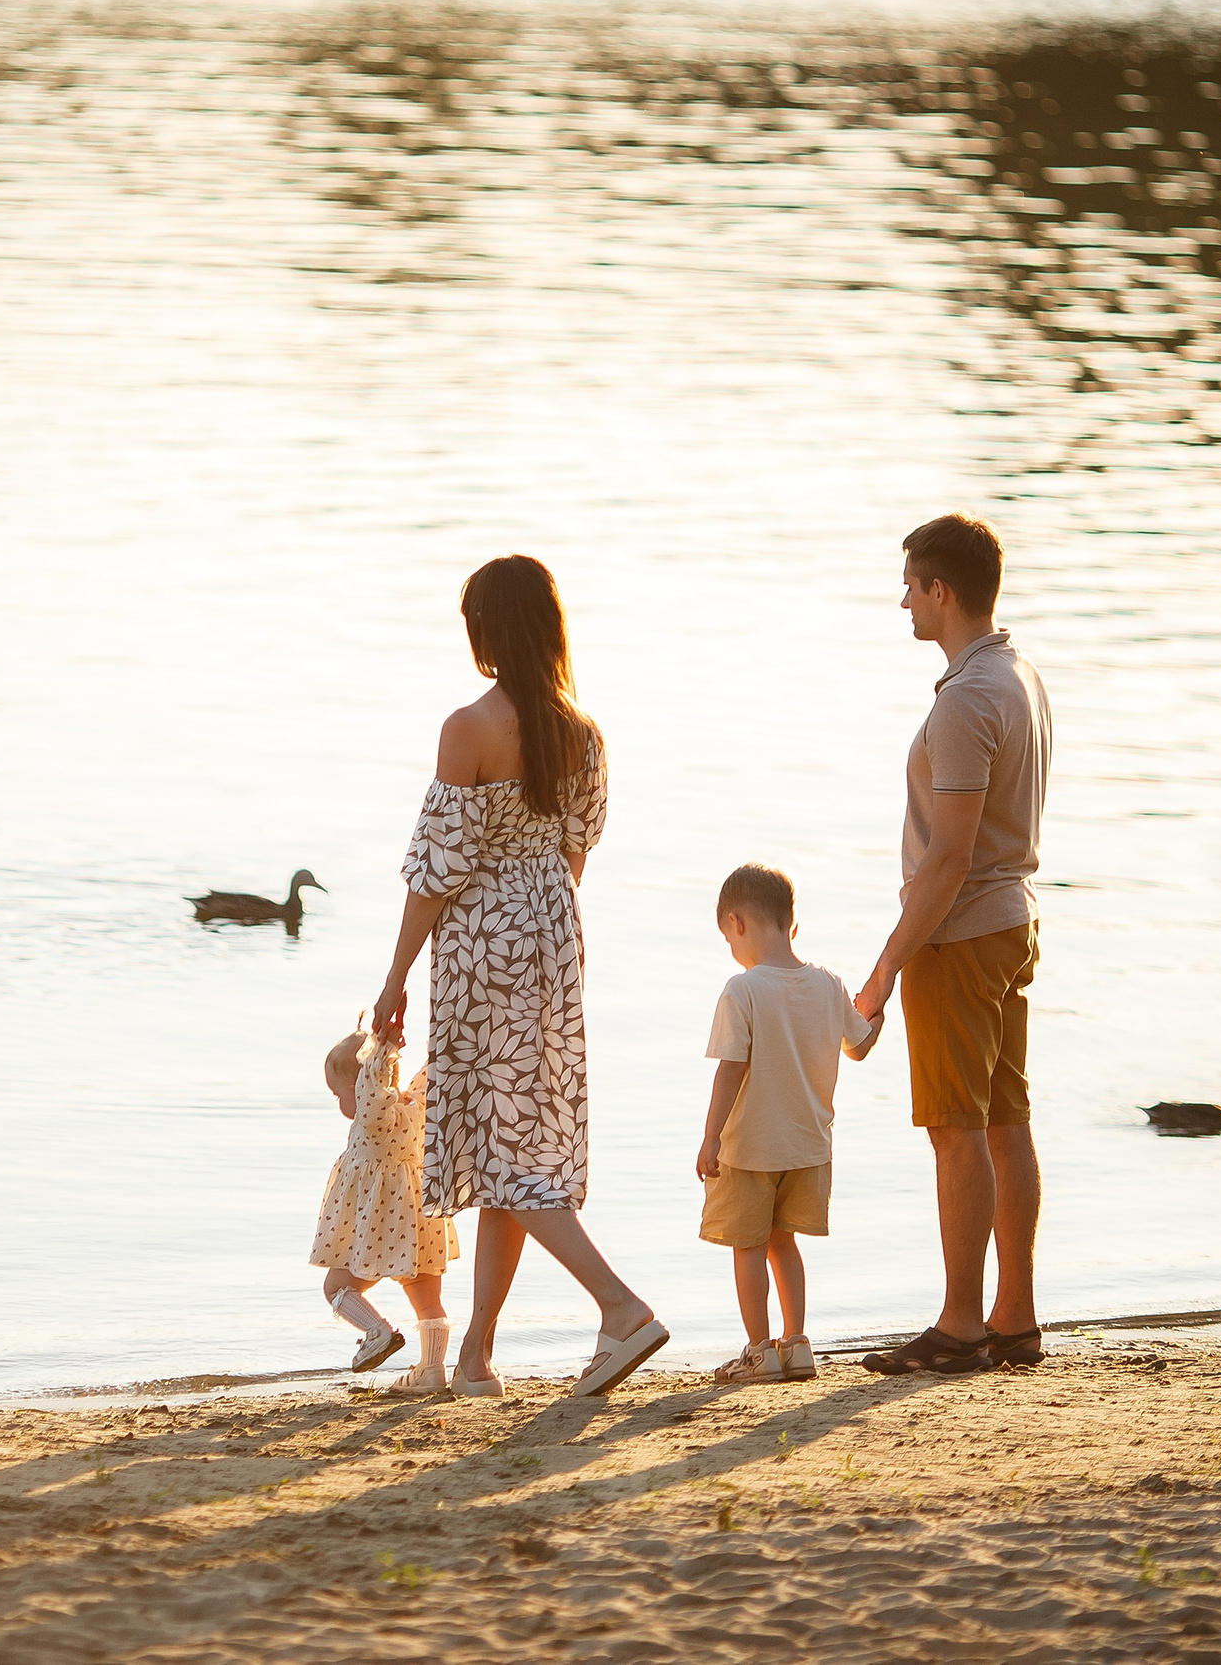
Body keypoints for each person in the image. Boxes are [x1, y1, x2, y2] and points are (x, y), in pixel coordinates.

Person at [372, 554, 666, 1399]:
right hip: (552, 940)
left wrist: (396, 976)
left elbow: (437, 870)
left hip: (482, 945)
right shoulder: (583, 733)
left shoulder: (469, 727)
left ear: (488, 631)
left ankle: (620, 1307)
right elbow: (573, 855)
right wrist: (538, 925)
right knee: (516, 1145)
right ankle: (474, 1360)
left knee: (506, 1154)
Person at [851, 514, 1054, 1376]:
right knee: (1006, 1119)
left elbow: (951, 855)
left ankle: (963, 1322)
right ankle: (1015, 1315)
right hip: (1010, 920)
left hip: (963, 933)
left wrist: (886, 966)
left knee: (955, 1128)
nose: (901, 599)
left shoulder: (970, 697)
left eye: (910, 584)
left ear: (942, 591)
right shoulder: (1018, 674)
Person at [696, 864, 879, 1384]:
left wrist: (711, 1139)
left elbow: (730, 1071)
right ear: (792, 925)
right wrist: (877, 1012)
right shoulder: (829, 984)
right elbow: (860, 1046)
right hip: (809, 1147)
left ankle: (758, 1351)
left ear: (737, 923)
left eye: (728, 939)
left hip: (751, 1147)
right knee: (785, 1242)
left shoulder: (743, 989)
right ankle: (797, 1344)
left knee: (748, 1246)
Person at [312, 1023, 458, 1393]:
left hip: (379, 1226)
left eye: (337, 1095)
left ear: (357, 1090)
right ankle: (433, 1370)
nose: (339, 1103)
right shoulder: (417, 1104)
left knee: (337, 1287)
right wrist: (393, 1045)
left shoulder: (373, 1115)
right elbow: (435, 1068)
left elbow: (373, 1084)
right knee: (428, 1300)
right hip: (419, 1222)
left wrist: (381, 1050)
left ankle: (377, 1331)